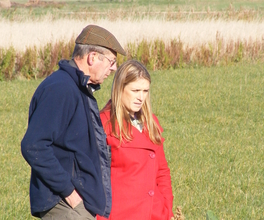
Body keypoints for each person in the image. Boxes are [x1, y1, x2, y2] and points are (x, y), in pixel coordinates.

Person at [21, 25, 126, 219]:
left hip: (75, 205)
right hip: (65, 205)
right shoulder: (61, 88)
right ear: (92, 57)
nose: (114, 68)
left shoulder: (78, 87)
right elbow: (34, 145)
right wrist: (70, 194)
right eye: (111, 61)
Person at [98, 60, 174, 220]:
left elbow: (162, 171)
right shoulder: (103, 124)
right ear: (120, 89)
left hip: (154, 213)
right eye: (135, 90)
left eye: (145, 91)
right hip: (120, 213)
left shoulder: (151, 122)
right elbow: (95, 176)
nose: (141, 97)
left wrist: (166, 207)